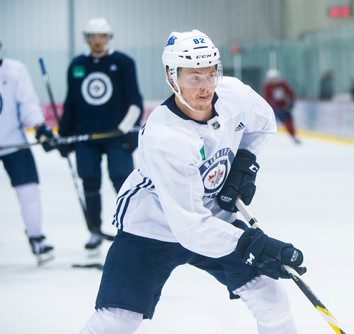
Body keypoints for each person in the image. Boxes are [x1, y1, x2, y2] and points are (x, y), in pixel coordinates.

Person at [80, 30, 305, 334]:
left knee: (271, 299)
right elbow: (192, 230)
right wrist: (255, 245)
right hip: (151, 228)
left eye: (211, 75)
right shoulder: (165, 137)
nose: (205, 88)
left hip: (211, 220)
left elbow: (262, 124)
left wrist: (243, 164)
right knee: (116, 321)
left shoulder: (234, 95)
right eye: (194, 78)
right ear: (172, 77)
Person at [58, 18, 143, 250]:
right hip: (86, 138)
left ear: (109, 38)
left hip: (116, 137)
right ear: (87, 39)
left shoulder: (123, 62)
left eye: (102, 36)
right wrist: (63, 135)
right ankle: (94, 230)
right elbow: (71, 104)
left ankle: (130, 229)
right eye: (94, 36)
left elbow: (135, 101)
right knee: (90, 182)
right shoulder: (77, 65)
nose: (98, 41)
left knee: (123, 181)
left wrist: (126, 130)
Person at [0, 42, 55, 265]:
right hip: (14, 143)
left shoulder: (14, 70)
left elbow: (28, 104)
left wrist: (40, 127)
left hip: (14, 143)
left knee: (29, 192)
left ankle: (36, 238)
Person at [262, 68, 300, 144]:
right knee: (267, 123)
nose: (273, 80)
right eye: (272, 79)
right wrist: (270, 107)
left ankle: (293, 136)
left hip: (284, 107)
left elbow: (290, 93)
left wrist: (291, 103)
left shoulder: (282, 84)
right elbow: (266, 98)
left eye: (275, 78)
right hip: (274, 109)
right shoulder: (267, 86)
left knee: (289, 121)